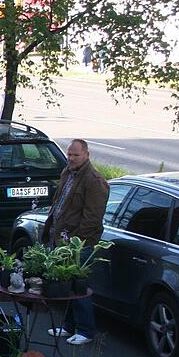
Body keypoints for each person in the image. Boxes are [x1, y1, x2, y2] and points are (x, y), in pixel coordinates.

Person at [42, 139, 109, 345]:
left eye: (75, 155)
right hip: (61, 239)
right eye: (69, 154)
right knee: (66, 286)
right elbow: (59, 203)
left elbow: (92, 219)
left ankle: (86, 330)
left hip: (80, 244)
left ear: (87, 155)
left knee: (79, 286)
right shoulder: (67, 173)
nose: (70, 158)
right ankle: (69, 326)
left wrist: (73, 244)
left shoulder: (94, 181)